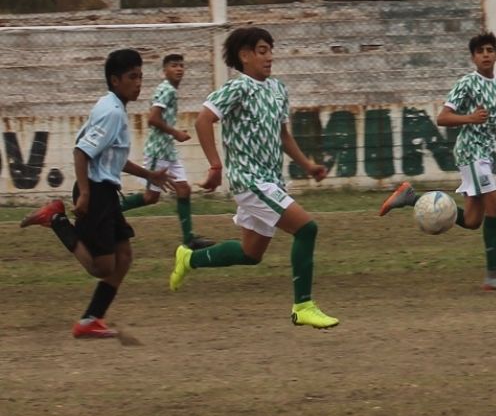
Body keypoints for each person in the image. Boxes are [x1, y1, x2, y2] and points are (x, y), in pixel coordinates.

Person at [169, 27, 338, 329]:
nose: (269, 57)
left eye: (271, 50)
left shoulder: (278, 89)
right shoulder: (238, 87)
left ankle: (189, 259)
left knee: (251, 253)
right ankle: (303, 306)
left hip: (270, 181)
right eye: (262, 51)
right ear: (244, 56)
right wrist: (215, 165)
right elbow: (204, 119)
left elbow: (282, 135)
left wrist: (307, 165)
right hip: (250, 181)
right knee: (306, 228)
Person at [20, 49, 173, 338]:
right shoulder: (112, 112)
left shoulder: (112, 106)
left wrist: (149, 175)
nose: (138, 83)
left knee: (123, 256)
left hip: (106, 191)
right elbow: (81, 152)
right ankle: (56, 220)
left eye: (140, 76)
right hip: (96, 191)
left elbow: (112, 158)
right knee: (102, 267)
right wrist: (86, 194)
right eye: (132, 77)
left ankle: (90, 320)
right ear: (115, 80)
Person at [378, 31, 496, 291]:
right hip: (471, 152)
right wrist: (470, 118)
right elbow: (443, 118)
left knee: (472, 220)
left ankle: (410, 197)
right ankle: (493, 276)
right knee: (495, 205)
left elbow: (495, 118)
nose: (485, 55)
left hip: (484, 154)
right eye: (480, 51)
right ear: (473, 58)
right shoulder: (467, 83)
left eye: (489, 50)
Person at [119, 53, 213, 250]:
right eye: (174, 65)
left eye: (181, 66)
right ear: (164, 70)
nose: (179, 69)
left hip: (168, 151)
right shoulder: (166, 90)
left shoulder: (169, 90)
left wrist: (174, 133)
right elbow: (153, 118)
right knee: (150, 197)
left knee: (183, 189)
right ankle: (107, 211)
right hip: (158, 151)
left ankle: (189, 239)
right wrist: (175, 133)